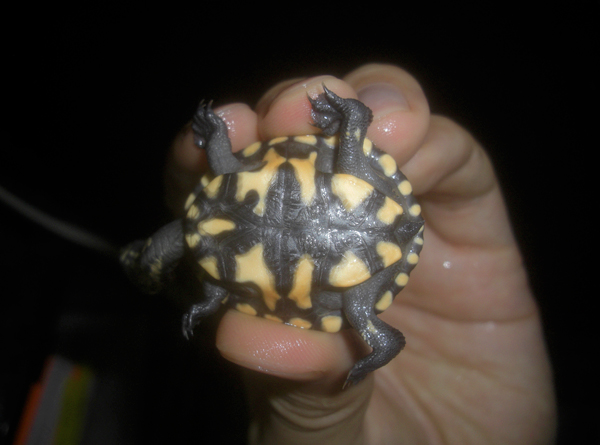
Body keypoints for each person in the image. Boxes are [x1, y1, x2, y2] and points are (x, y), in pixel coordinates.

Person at [166, 64, 556, 444]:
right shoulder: (226, 191)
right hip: (357, 223)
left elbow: (224, 166)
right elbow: (228, 160)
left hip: (355, 228)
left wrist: (205, 302)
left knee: (354, 304)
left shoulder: (222, 212)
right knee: (357, 308)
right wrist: (349, 115)